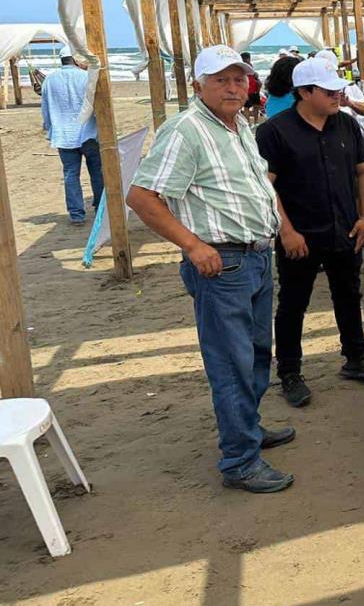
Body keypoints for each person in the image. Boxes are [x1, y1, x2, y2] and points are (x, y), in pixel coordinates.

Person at [126, 45, 293, 493]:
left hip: (255, 255)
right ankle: (240, 460)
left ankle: (248, 431)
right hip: (224, 262)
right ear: (199, 83)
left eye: (239, 79)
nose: (233, 87)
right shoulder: (186, 130)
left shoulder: (238, 126)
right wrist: (192, 245)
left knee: (257, 353)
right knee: (232, 363)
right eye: (221, 79)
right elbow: (142, 198)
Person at [256, 58, 364, 408]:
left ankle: (355, 356)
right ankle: (290, 372)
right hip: (300, 235)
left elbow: (363, 171)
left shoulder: (346, 124)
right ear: (304, 92)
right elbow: (267, 188)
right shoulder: (274, 132)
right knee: (294, 304)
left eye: (338, 89)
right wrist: (287, 231)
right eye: (328, 91)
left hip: (345, 229)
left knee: (349, 294)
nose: (337, 96)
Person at [40, 50, 103, 224]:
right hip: (88, 133)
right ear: (76, 59)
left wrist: (49, 127)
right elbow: (97, 104)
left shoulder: (49, 80)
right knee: (96, 172)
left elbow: (45, 108)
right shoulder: (86, 77)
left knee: (70, 174)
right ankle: (100, 209)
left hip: (64, 135)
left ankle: (76, 214)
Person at [241, 52, 262, 124]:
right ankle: (253, 123)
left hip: (251, 89)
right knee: (251, 107)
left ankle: (250, 123)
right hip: (250, 90)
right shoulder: (245, 66)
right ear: (248, 58)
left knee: (250, 107)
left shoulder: (245, 66)